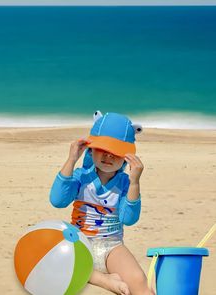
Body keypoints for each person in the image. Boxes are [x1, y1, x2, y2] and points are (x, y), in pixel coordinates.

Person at [50, 111, 154, 295]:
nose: (108, 157)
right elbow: (57, 200)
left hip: (112, 246)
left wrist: (135, 182)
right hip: (79, 242)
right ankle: (105, 281)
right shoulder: (81, 176)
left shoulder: (125, 183)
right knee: (59, 260)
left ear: (126, 156)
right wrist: (72, 159)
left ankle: (97, 276)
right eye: (102, 150)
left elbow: (128, 219)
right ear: (91, 149)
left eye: (115, 152)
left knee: (139, 283)